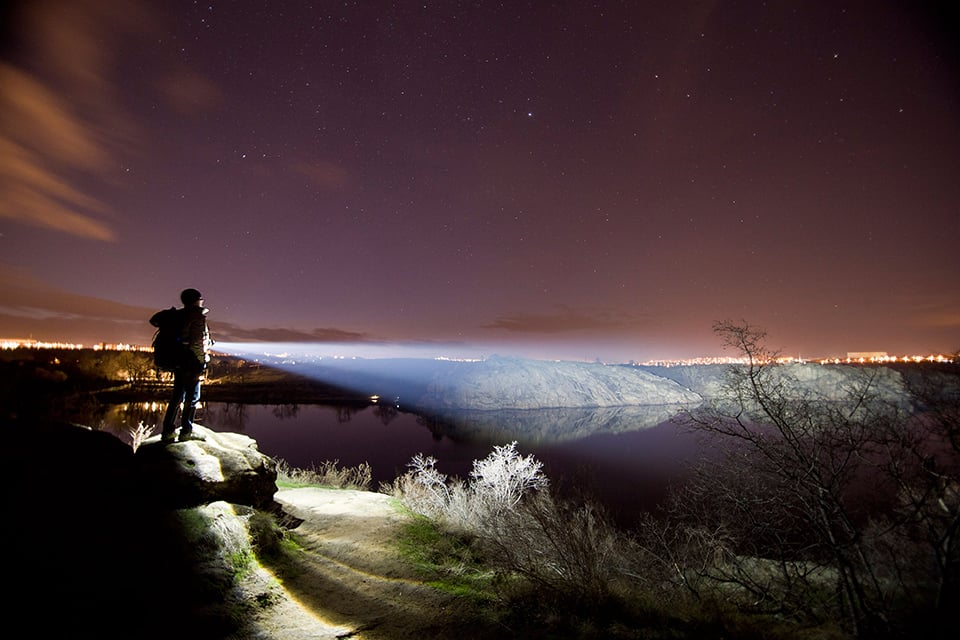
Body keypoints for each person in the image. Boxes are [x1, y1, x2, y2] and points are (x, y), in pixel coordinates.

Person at [160, 288, 212, 444]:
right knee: (193, 397)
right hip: (191, 362)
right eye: (200, 299)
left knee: (177, 396)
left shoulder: (179, 315)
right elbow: (196, 342)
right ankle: (186, 431)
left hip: (178, 360)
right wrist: (201, 361)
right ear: (196, 300)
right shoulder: (197, 316)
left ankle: (168, 431)